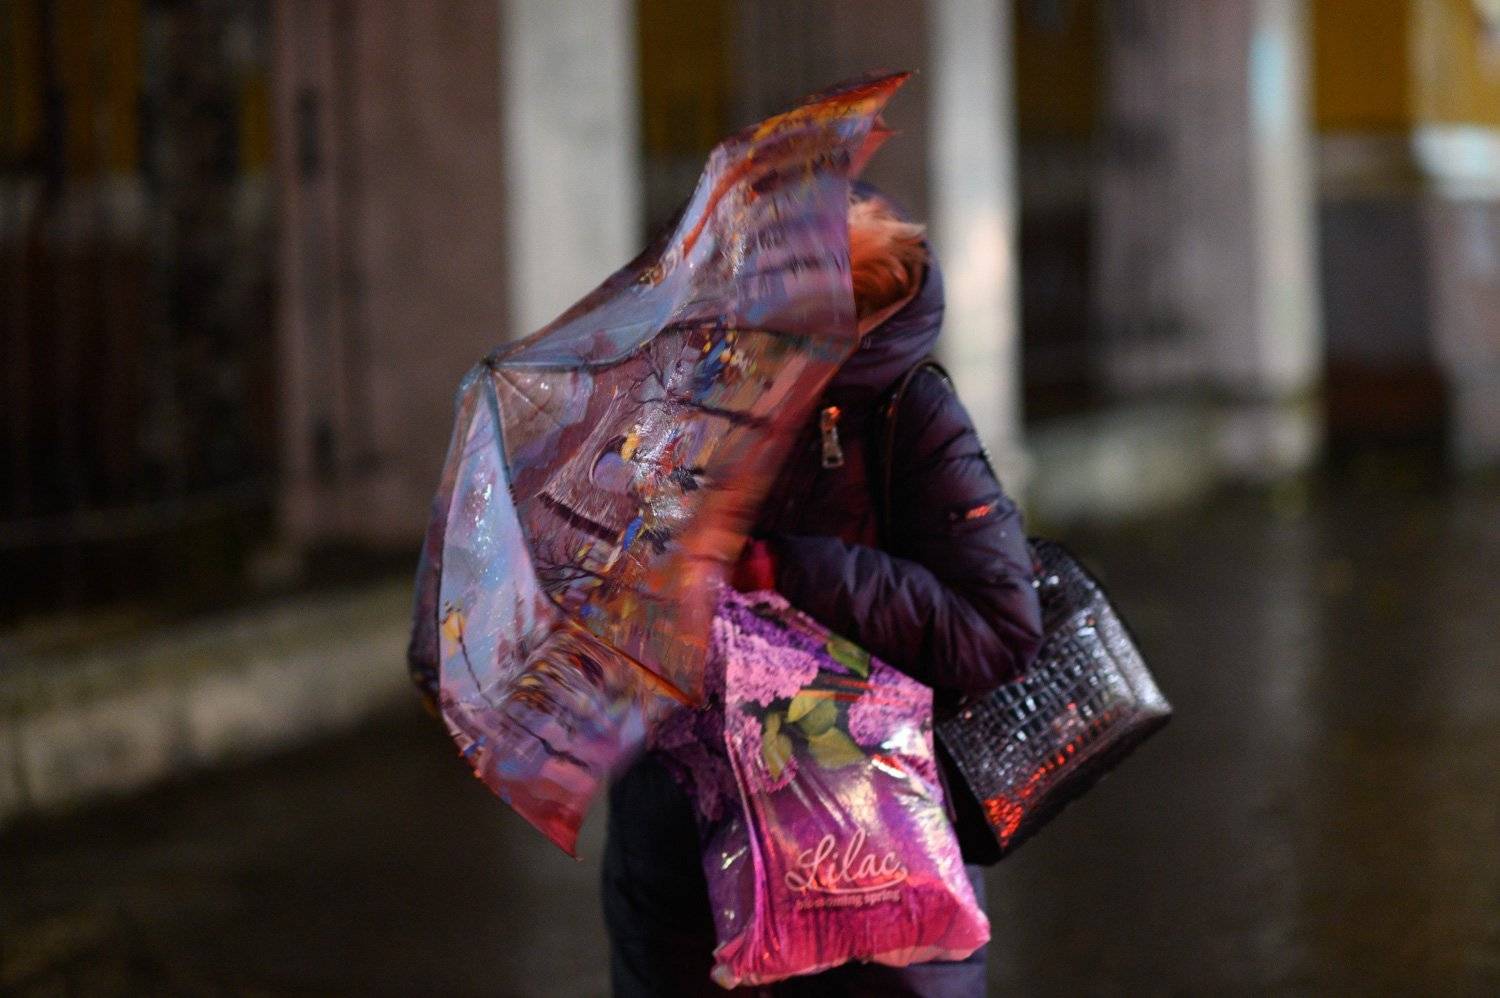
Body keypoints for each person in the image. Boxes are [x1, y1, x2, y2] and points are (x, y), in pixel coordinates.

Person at [601, 184, 1044, 997]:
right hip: (680, 849)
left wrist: (788, 572)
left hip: (862, 851)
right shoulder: (670, 412)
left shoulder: (908, 414)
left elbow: (997, 626)